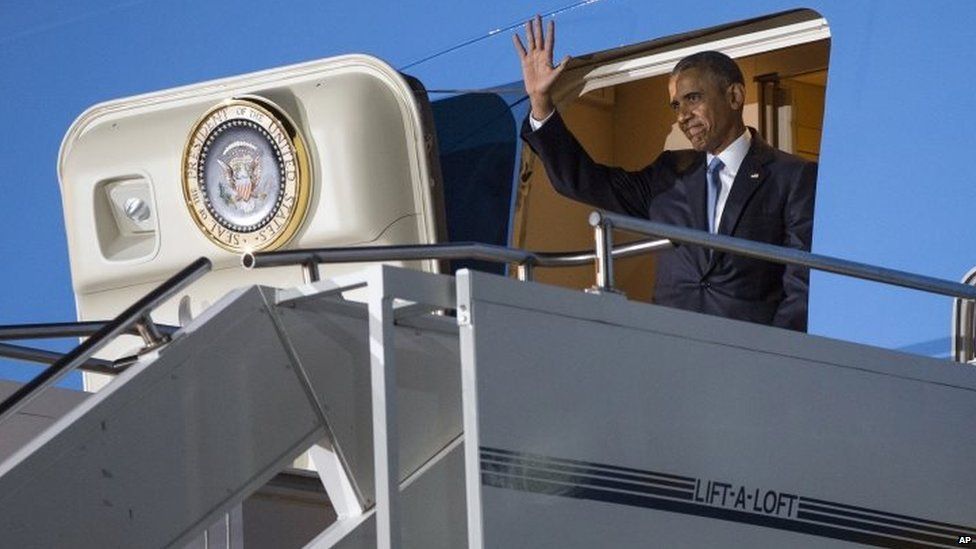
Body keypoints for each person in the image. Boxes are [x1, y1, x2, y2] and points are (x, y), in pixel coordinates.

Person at [513, 16, 817, 332]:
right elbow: (584, 181)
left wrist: (776, 352)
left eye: (693, 99)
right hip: (670, 349)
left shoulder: (793, 177)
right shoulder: (670, 174)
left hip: (752, 356)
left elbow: (803, 284)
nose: (683, 116)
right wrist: (541, 105)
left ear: (735, 97)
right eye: (675, 105)